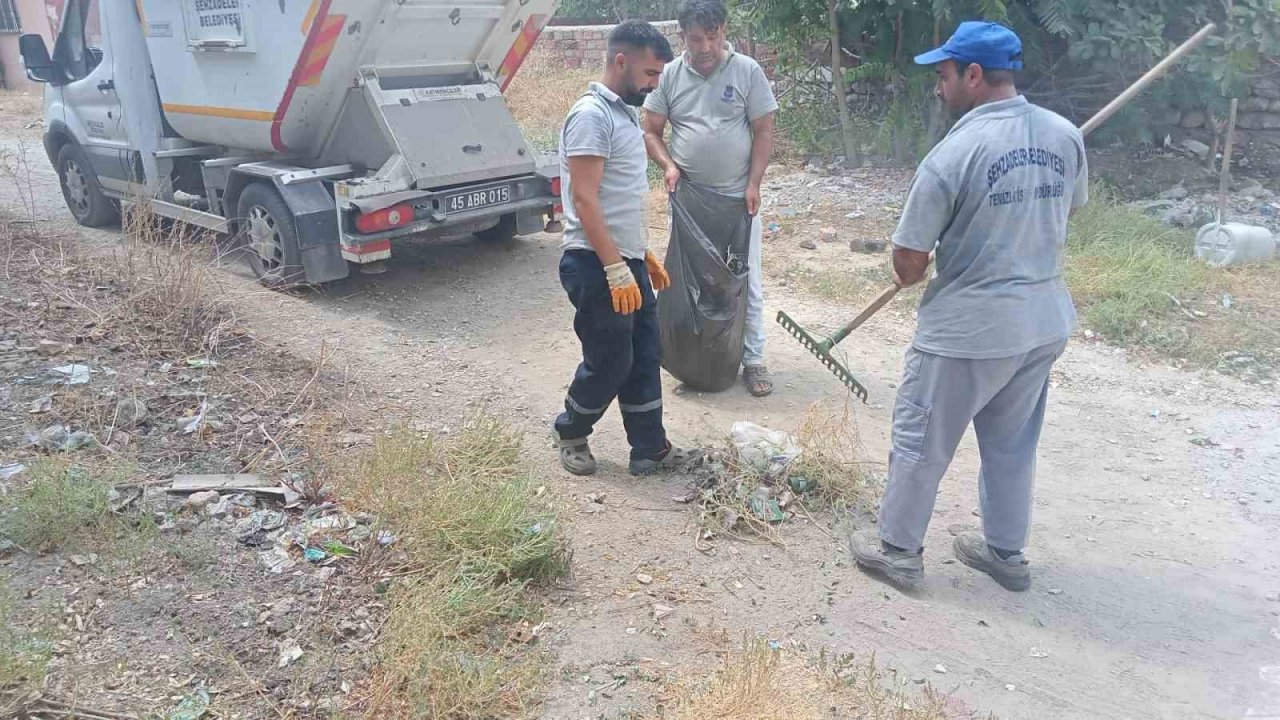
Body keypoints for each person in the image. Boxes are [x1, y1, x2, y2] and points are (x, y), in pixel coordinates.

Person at [849, 21, 1089, 592]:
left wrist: (919, 267)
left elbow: (909, 261)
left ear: (974, 76)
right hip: (1042, 321)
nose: (938, 87)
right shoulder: (1064, 135)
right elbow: (1067, 211)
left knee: (921, 438)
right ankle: (1005, 553)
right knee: (1011, 444)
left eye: (944, 75)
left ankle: (898, 549)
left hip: (967, 331)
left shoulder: (952, 152)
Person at [554, 20, 701, 477]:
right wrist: (615, 266)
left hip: (623, 259)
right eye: (650, 74)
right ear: (621, 61)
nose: (655, 85)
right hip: (594, 262)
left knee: (644, 353)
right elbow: (585, 198)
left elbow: (620, 197)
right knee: (612, 358)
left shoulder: (623, 113)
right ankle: (571, 431)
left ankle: (650, 449)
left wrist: (640, 254)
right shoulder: (591, 116)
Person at [642, 0, 779, 397]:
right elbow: (650, 129)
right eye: (696, 39)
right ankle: (687, 356)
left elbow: (764, 130)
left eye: (712, 37)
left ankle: (752, 360)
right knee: (684, 280)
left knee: (742, 280)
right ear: (682, 36)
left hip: (739, 201)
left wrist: (754, 183)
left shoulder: (746, 71)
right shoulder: (670, 75)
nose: (704, 47)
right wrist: (668, 166)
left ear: (723, 31)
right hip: (688, 201)